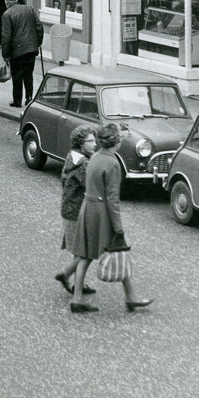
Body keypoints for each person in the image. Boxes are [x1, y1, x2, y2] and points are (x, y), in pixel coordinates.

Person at [69, 122, 152, 313]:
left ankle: (77, 298)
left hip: (87, 208)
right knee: (118, 250)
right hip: (101, 213)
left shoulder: (95, 156)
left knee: (85, 255)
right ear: (117, 141)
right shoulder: (113, 163)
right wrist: (118, 227)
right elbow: (112, 200)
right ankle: (130, 297)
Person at [55, 125, 97, 297]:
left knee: (81, 250)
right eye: (90, 141)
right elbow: (93, 186)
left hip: (69, 209)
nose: (95, 144)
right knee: (87, 251)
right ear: (81, 144)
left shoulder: (72, 157)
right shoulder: (83, 165)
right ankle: (65, 275)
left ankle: (77, 284)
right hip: (77, 212)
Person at [0, 0, 43, 107]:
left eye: (6, 1)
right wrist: (38, 42)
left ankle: (17, 100)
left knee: (17, 75)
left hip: (18, 50)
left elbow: (6, 37)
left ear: (8, 2)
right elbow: (39, 26)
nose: (5, 3)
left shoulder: (7, 14)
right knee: (29, 74)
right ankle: (29, 98)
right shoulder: (29, 9)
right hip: (31, 49)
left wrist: (5, 54)